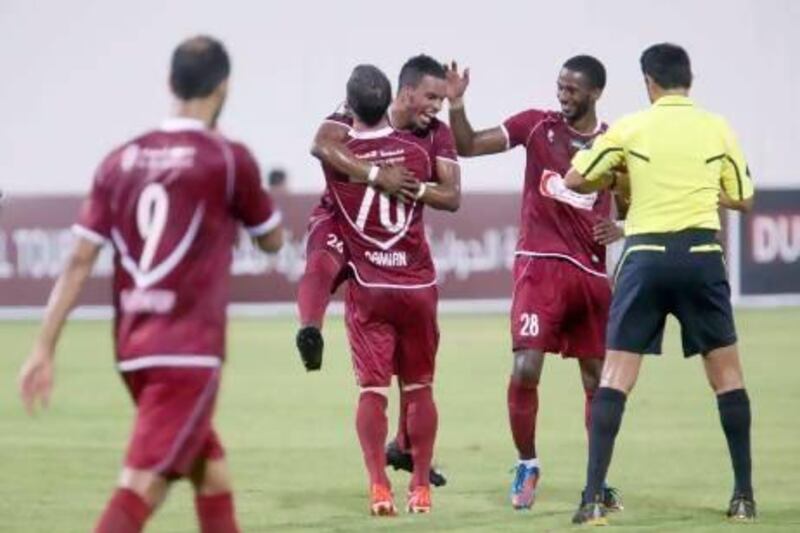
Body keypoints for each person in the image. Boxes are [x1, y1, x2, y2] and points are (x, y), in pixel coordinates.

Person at [17, 35, 283, 533]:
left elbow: (78, 260)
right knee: (143, 486)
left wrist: (43, 347)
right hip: (189, 355)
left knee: (212, 475)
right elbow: (271, 240)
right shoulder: (227, 159)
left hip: (133, 352)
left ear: (169, 83)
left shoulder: (120, 159)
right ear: (225, 86)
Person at [564, 43, 756, 525]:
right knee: (727, 379)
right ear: (688, 80)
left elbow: (574, 177)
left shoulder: (630, 127)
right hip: (700, 256)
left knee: (615, 379)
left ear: (649, 81)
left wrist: (613, 180)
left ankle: (590, 501)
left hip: (645, 258)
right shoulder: (717, 127)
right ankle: (744, 499)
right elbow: (742, 198)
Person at [445, 56, 625, 510]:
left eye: (573, 89)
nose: (563, 94)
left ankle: (597, 479)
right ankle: (527, 464)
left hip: (588, 273)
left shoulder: (614, 143)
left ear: (595, 94)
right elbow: (466, 144)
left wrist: (622, 227)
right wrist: (458, 103)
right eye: (560, 86)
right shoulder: (535, 125)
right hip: (538, 267)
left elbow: (633, 200)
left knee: (595, 379)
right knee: (525, 368)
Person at [297, 54, 459, 486]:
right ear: (404, 94)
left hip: (390, 246)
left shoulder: (436, 134)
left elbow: (451, 193)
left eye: (443, 100)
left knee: (410, 370)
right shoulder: (362, 108)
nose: (437, 107)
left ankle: (405, 448)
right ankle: (309, 326)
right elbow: (322, 144)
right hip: (342, 216)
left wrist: (410, 185)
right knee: (323, 258)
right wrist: (375, 175)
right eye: (432, 97)